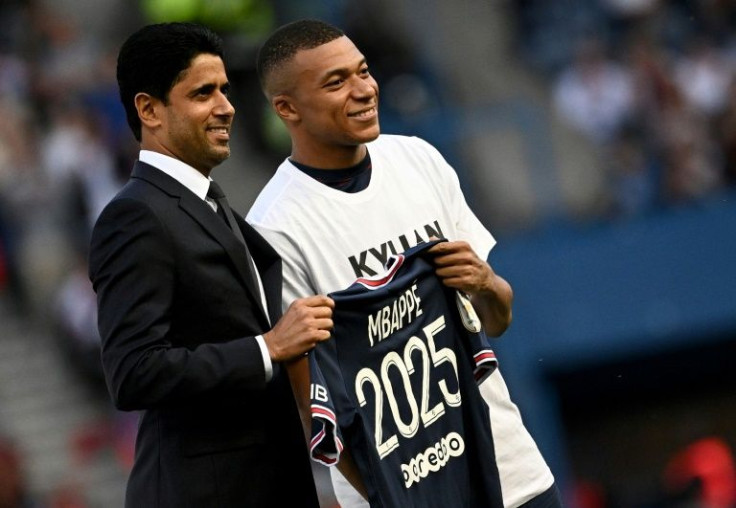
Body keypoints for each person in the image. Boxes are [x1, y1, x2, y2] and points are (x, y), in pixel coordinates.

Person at [247, 19, 563, 508]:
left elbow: (498, 319)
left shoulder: (418, 159)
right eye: (336, 82)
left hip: (511, 473)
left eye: (363, 71)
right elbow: (313, 411)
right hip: (403, 492)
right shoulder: (274, 227)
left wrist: (485, 282)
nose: (364, 90)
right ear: (286, 108)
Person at [88, 22, 332, 507]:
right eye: (203, 93)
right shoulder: (135, 216)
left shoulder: (207, 203)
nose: (226, 106)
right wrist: (267, 348)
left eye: (224, 89)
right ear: (149, 110)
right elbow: (133, 370)